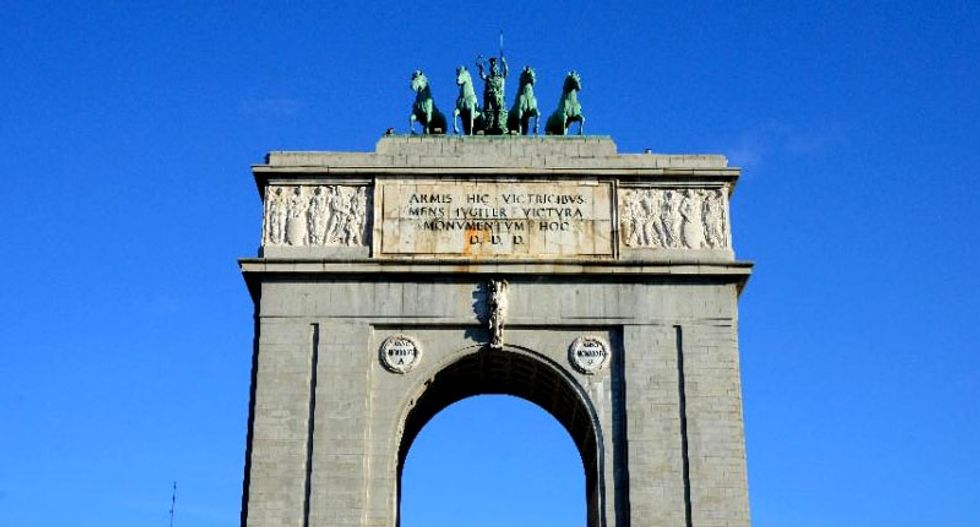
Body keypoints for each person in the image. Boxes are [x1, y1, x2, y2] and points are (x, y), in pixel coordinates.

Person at [477, 55, 508, 133]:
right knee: (490, 107)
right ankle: (490, 122)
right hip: (490, 96)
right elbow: (482, 75)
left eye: (495, 69)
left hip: (499, 96)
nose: (494, 70)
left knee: (499, 107)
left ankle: (499, 122)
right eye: (493, 69)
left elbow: (506, 72)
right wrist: (481, 68)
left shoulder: (500, 78)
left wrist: (504, 63)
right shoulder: (489, 78)